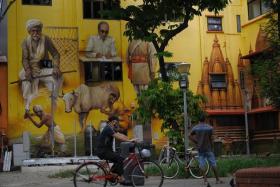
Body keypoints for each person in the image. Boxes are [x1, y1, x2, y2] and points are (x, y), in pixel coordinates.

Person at [19, 19, 63, 114]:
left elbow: (55, 54)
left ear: (40, 30)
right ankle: (27, 107)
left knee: (58, 76)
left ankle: (54, 99)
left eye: (37, 30)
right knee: (25, 79)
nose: (35, 33)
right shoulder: (25, 42)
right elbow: (24, 59)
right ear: (29, 31)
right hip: (30, 68)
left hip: (43, 67)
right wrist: (27, 70)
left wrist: (56, 67)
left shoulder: (46, 39)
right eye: (33, 31)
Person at [96, 116, 135, 184]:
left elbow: (120, 135)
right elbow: (118, 137)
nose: (117, 124)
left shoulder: (111, 128)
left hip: (106, 150)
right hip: (103, 151)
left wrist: (130, 139)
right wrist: (130, 140)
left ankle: (113, 175)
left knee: (119, 158)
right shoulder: (108, 128)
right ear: (113, 122)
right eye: (117, 123)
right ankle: (119, 178)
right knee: (119, 159)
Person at [189, 112, 223, 186]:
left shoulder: (196, 127)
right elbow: (211, 138)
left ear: (199, 120)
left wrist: (196, 141)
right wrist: (212, 146)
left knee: (202, 165)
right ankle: (217, 179)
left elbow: (190, 136)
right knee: (213, 164)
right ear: (205, 120)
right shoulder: (209, 127)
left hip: (200, 149)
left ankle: (205, 181)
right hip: (208, 148)